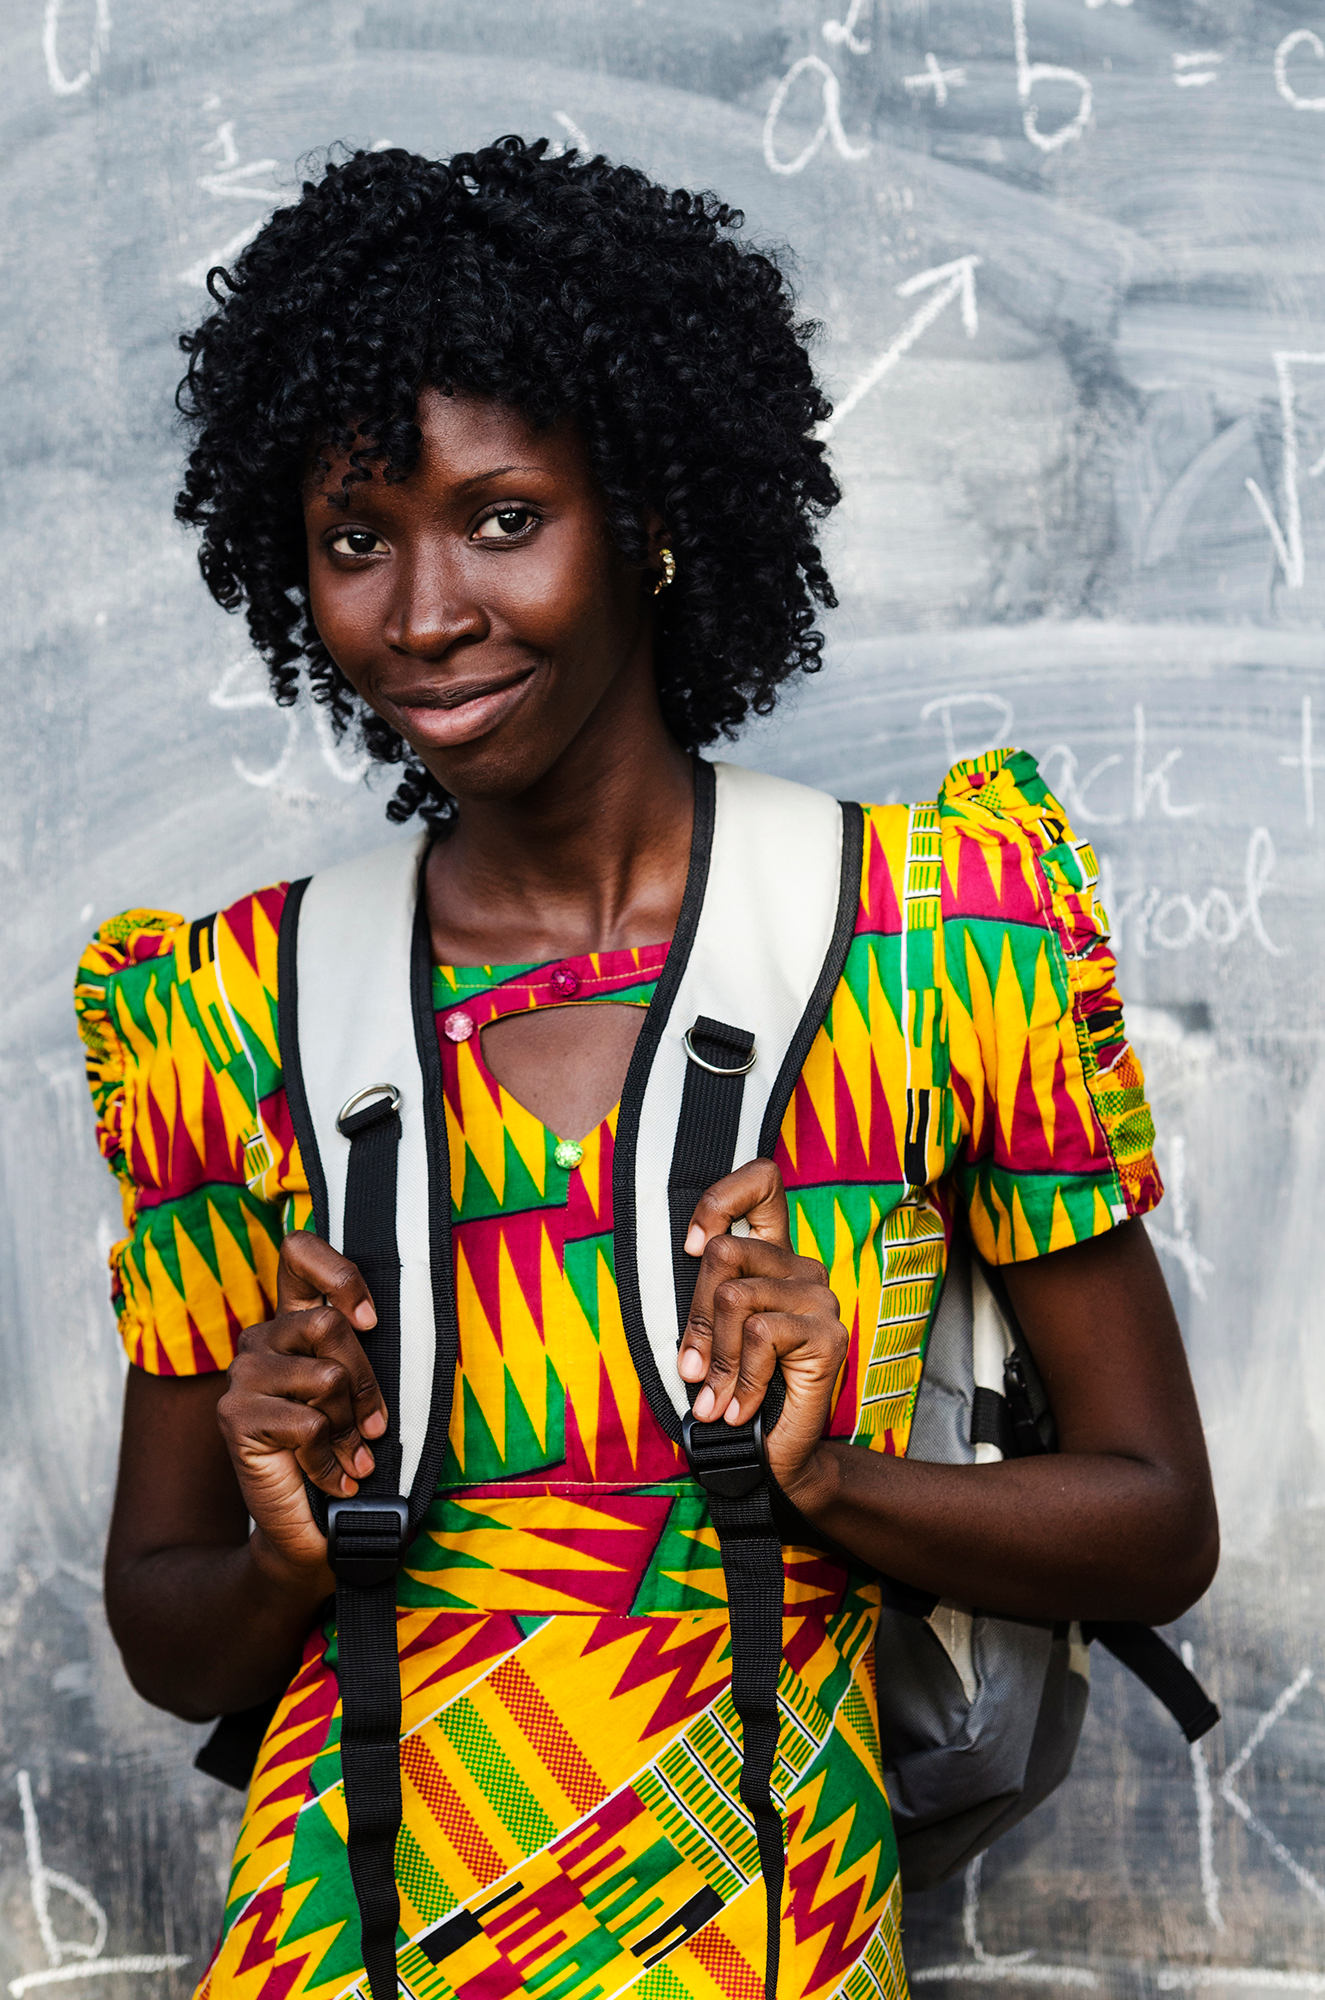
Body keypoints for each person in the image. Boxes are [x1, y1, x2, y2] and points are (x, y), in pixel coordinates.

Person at [74, 138, 1218, 2000]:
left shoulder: (935, 945)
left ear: (656, 512)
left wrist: (827, 1479)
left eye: (504, 516)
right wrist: (287, 1536)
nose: (425, 609)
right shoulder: (235, 1016)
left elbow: (1157, 1518)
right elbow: (173, 1634)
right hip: (335, 1950)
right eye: (356, 538)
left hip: (767, 1946)